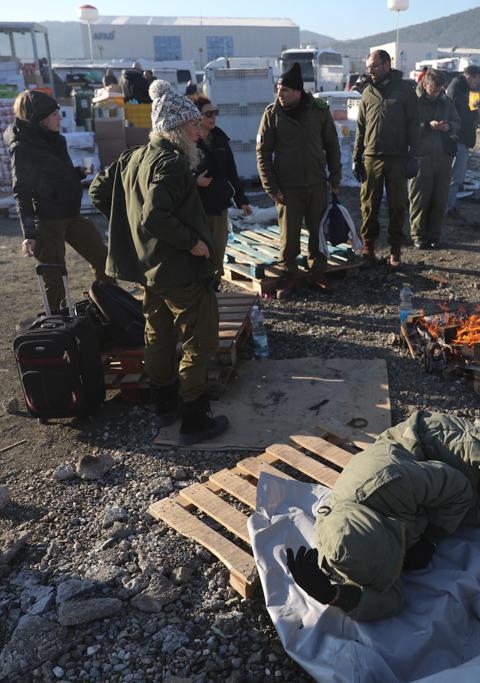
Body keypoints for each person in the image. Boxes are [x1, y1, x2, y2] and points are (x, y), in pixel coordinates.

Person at [284, 410, 480, 621]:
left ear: (388, 526)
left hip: (438, 448)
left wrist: (431, 540)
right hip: (435, 501)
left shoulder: (386, 482)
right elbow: (391, 600)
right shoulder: (344, 552)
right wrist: (336, 596)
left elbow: (456, 489)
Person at [88, 80, 228, 443]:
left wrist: (129, 227)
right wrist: (194, 243)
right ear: (177, 128)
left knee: (159, 334)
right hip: (179, 268)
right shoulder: (172, 164)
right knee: (200, 339)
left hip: (149, 269)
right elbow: (155, 216)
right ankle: (194, 417)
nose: (200, 133)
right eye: (194, 126)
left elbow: (98, 191)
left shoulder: (134, 156)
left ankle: (164, 404)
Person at [6, 90, 113, 313]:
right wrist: (29, 234)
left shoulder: (55, 139)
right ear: (41, 118)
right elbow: (22, 191)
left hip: (71, 214)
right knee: (54, 278)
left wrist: (76, 174)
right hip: (46, 221)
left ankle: (112, 306)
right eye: (56, 114)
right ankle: (57, 322)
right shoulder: (22, 147)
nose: (60, 119)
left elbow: (53, 175)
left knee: (103, 258)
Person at [256, 63, 342, 293]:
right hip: (287, 187)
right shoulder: (272, 114)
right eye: (278, 90)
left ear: (297, 91)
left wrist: (335, 177)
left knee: (318, 231)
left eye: (284, 91)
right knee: (289, 234)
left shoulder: (319, 109)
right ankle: (290, 274)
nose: (279, 95)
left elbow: (332, 144)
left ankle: (317, 272)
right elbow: (263, 152)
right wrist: (271, 187)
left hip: (316, 183)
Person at [353, 50, 419, 269]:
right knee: (368, 206)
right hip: (371, 157)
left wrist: (413, 155)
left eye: (374, 67)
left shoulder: (405, 91)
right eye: (368, 68)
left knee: (398, 206)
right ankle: (369, 249)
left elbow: (413, 124)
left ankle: (395, 251)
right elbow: (360, 128)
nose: (370, 71)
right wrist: (356, 157)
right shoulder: (367, 92)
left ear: (387, 65)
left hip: (398, 158)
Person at [193, 95, 252, 288]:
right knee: (199, 253)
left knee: (217, 252)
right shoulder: (188, 141)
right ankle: (200, 292)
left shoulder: (220, 139)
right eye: (208, 114)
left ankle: (214, 289)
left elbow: (232, 173)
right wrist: (195, 181)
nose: (213, 117)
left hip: (218, 207)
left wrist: (241, 200)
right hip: (196, 208)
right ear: (197, 116)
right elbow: (179, 174)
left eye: (215, 113)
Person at [410, 69, 460, 250]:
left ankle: (434, 235)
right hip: (421, 156)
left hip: (443, 157)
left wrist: (448, 127)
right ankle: (418, 235)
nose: (436, 93)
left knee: (440, 198)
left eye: (439, 90)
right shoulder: (413, 102)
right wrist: (427, 126)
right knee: (419, 198)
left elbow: (457, 122)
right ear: (425, 85)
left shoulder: (447, 102)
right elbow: (406, 126)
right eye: (433, 89)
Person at [445, 65, 480, 217]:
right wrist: (477, 114)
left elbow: (461, 111)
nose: (477, 84)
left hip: (460, 138)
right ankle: (448, 207)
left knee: (457, 176)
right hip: (458, 139)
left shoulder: (460, 89)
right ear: (470, 77)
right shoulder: (457, 89)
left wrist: (473, 108)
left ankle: (449, 206)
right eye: (476, 81)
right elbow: (460, 115)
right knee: (456, 176)